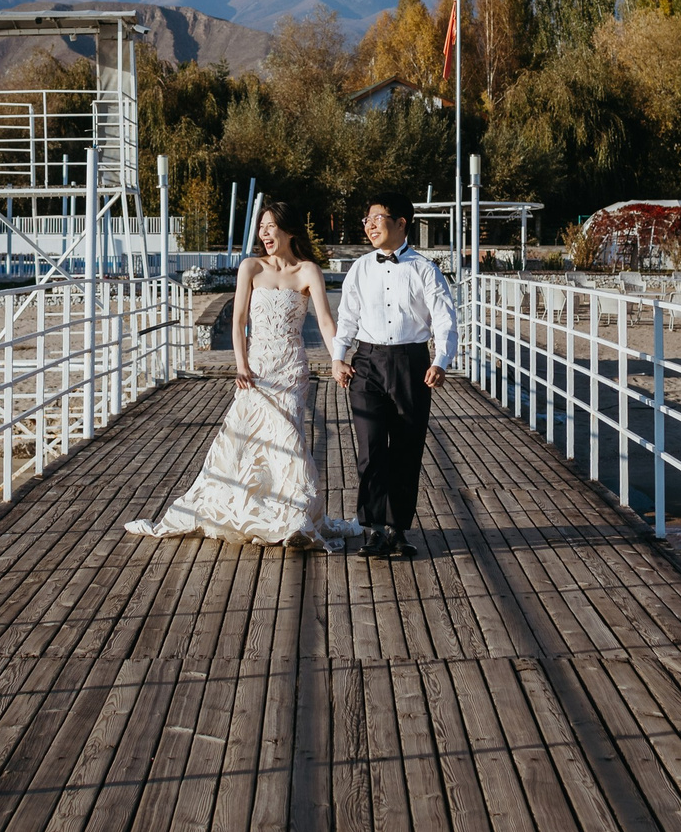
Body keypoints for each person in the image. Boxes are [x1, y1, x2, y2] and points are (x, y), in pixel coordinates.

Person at [126, 201, 360, 550]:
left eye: (271, 226)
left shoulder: (309, 271)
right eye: (262, 227)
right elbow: (237, 322)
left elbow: (326, 322)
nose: (265, 233)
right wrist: (241, 364)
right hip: (257, 369)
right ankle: (262, 512)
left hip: (292, 369)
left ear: (289, 230)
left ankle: (294, 518)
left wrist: (338, 359)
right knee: (251, 442)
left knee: (289, 441)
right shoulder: (250, 267)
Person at [332, 194, 457, 560]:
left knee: (406, 449)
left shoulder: (425, 269)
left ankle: (396, 529)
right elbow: (347, 316)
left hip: (411, 363)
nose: (369, 225)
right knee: (370, 450)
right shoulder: (360, 268)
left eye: (377, 218)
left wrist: (442, 360)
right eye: (366, 219)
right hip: (367, 362)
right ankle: (372, 529)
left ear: (401, 223)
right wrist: (339, 358)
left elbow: (445, 319)